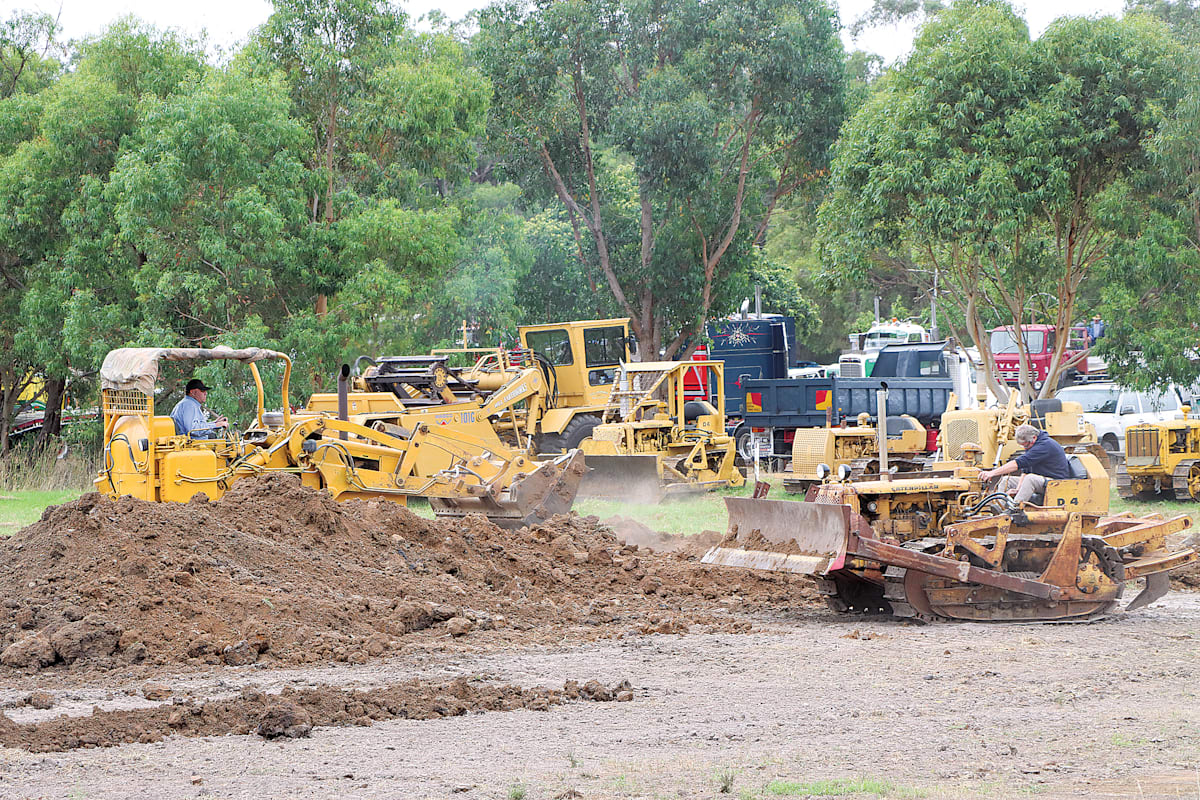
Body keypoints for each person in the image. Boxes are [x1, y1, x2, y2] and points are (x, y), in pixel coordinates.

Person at [978, 423, 1070, 504]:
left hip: (1055, 482)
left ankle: (1013, 511)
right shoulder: (1032, 445)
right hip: (1041, 480)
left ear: (1034, 438)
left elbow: (1018, 463)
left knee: (1030, 479)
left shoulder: (1045, 446)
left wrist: (992, 473)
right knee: (1007, 480)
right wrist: (1018, 489)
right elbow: (1025, 472)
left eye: (1026, 445)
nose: (1025, 448)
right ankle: (999, 508)